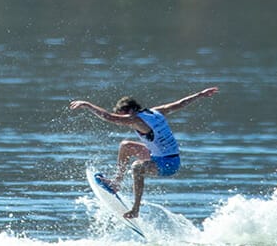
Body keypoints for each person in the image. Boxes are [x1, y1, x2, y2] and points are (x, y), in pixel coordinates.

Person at [68, 87, 218, 218]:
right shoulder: (156, 112)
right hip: (158, 155)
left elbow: (109, 117)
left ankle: (135, 209)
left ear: (129, 111)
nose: (125, 120)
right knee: (126, 145)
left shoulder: (138, 121)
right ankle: (116, 182)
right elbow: (179, 104)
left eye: (124, 116)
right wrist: (200, 95)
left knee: (137, 167)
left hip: (169, 164)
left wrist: (87, 105)